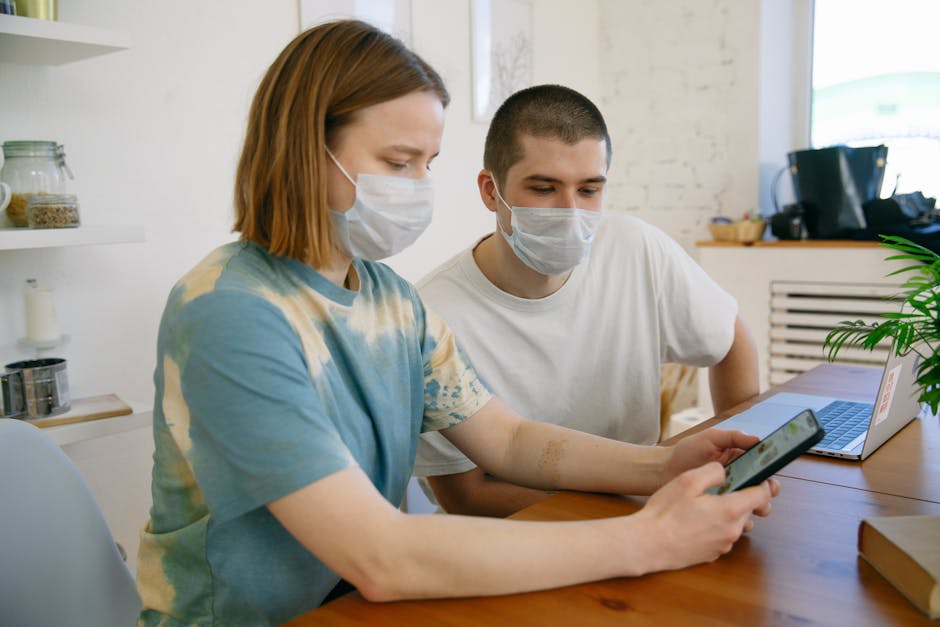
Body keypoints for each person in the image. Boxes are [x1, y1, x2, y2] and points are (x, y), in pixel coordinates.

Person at [136, 21, 777, 626]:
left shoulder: (391, 301)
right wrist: (649, 538)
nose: (419, 186)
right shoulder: (231, 313)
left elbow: (511, 441)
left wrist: (662, 467)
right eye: (398, 162)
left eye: (428, 163)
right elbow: (381, 556)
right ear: (306, 150)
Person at [414, 84, 760, 517]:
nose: (570, 212)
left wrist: (737, 469)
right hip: (520, 530)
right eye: (544, 189)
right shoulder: (433, 315)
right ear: (490, 190)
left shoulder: (634, 248)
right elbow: (467, 495)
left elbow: (731, 339)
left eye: (589, 190)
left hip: (646, 506)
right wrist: (636, 512)